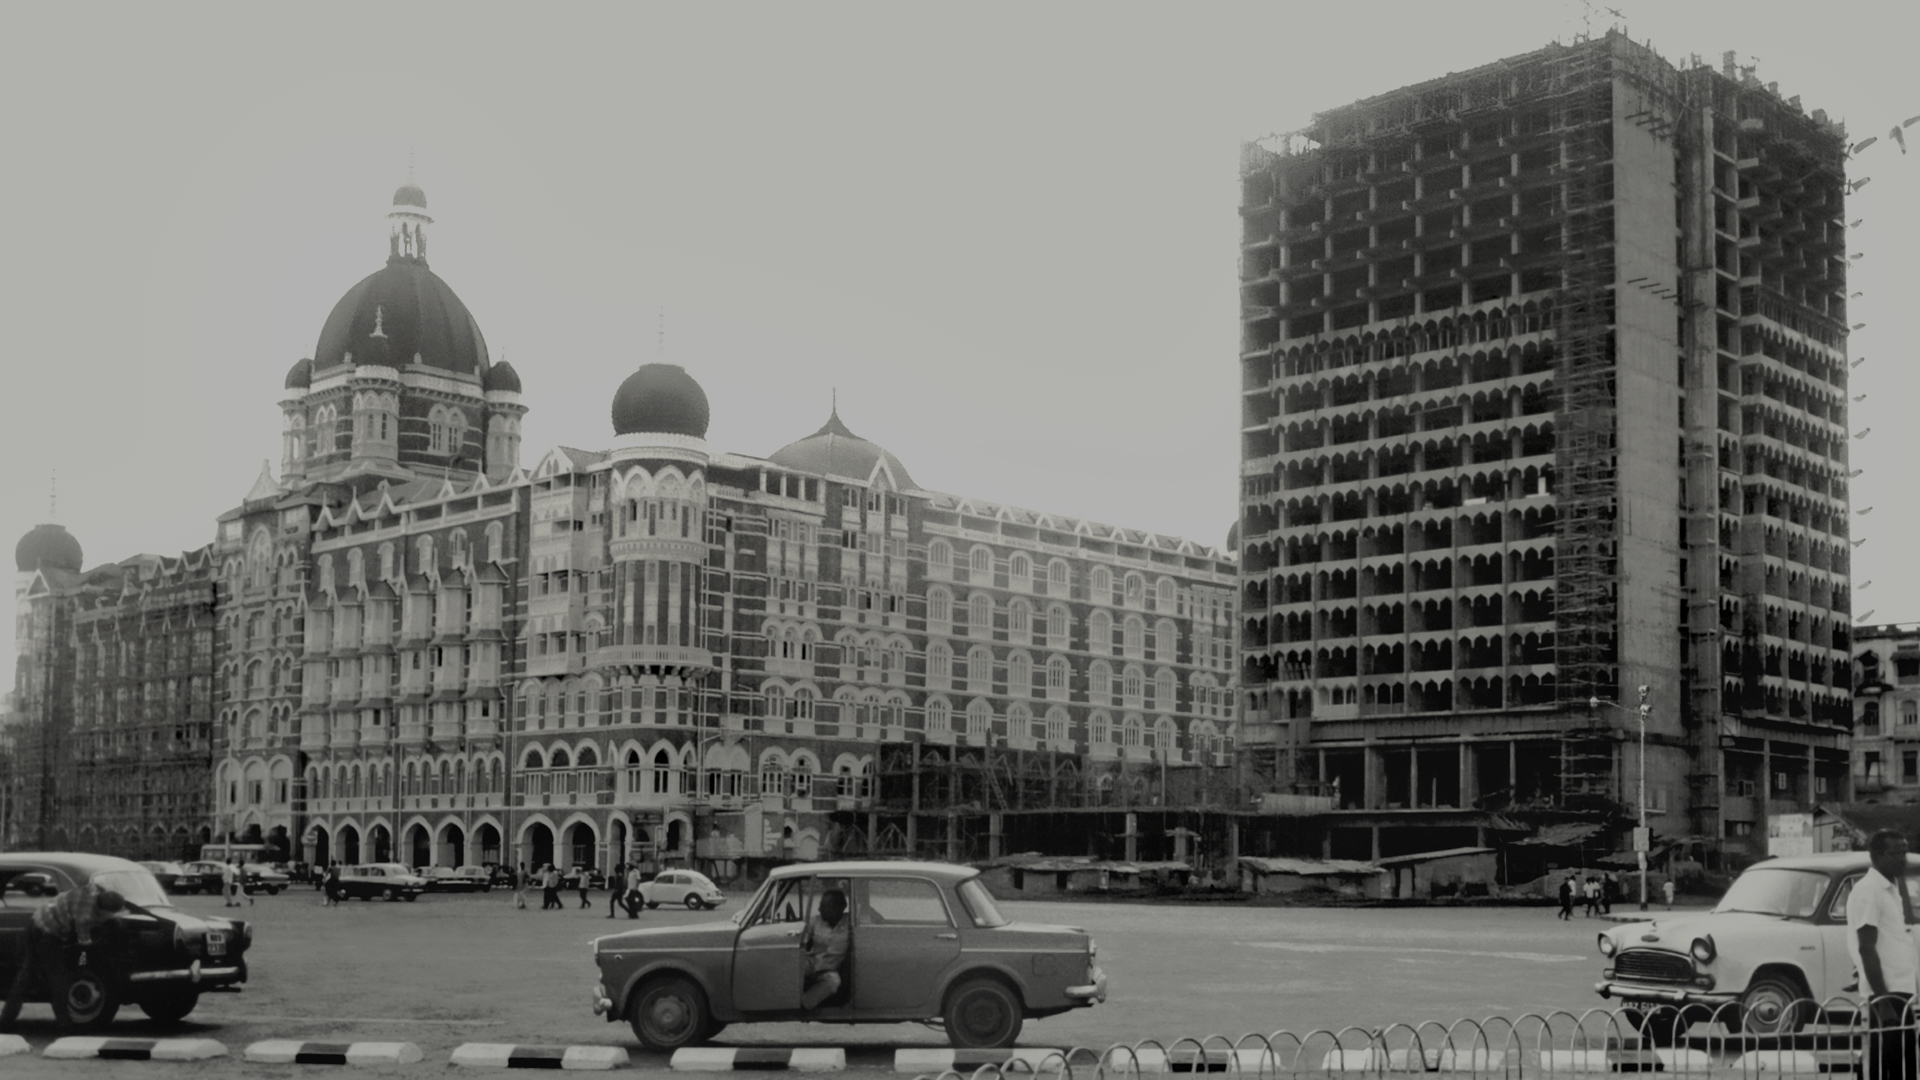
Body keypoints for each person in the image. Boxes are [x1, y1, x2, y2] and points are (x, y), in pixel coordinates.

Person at [1, 882, 127, 1030]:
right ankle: (65, 1025)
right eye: (110, 914)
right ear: (104, 910)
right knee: (58, 979)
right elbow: (84, 944)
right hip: (46, 932)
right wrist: (84, 961)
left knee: (26, 976)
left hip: (36, 922)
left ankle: (5, 1022)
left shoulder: (95, 893)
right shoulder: (84, 916)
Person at [1849, 829, 1916, 1080]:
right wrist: (1884, 1002)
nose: (1902, 859)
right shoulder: (1869, 890)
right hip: (1886, 995)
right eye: (1895, 853)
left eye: (1904, 852)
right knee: (1882, 1067)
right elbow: (1866, 946)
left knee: (1903, 1066)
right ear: (1876, 856)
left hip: (1902, 991)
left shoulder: (1891, 888)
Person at [799, 888, 850, 1010]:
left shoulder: (849, 922)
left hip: (829, 968)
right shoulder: (815, 921)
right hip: (811, 962)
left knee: (833, 982)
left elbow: (873, 917)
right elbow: (801, 941)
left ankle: (802, 1005)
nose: (819, 909)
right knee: (790, 965)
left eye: (824, 906)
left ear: (838, 908)